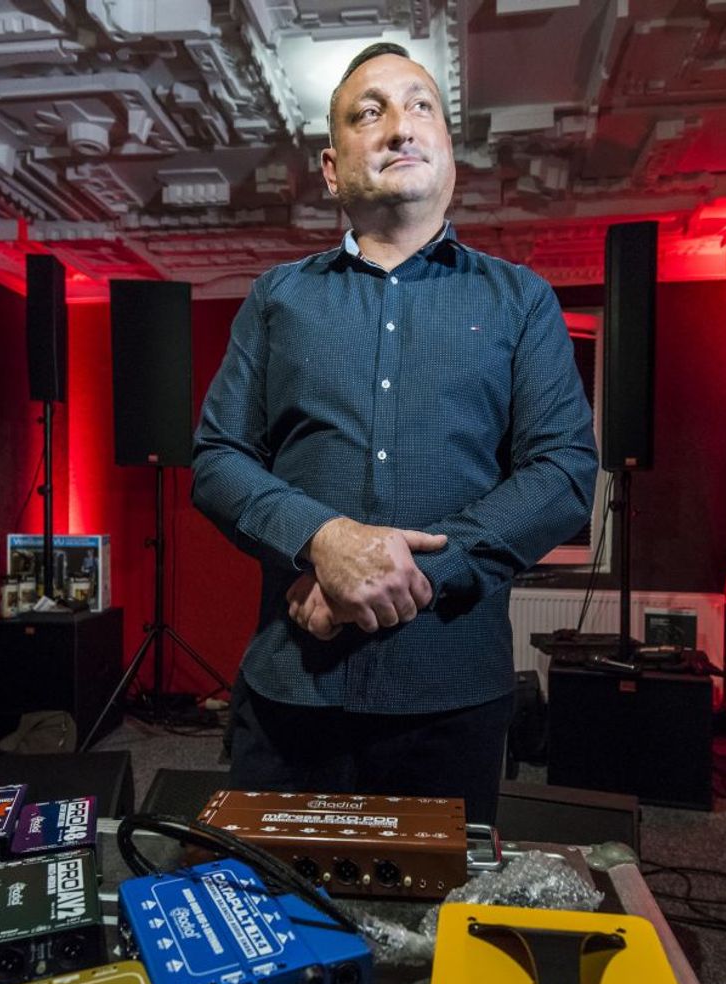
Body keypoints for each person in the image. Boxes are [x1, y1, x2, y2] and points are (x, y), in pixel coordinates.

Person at [191, 42, 597, 824]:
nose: (399, 127)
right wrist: (322, 541)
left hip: (450, 696)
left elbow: (563, 473)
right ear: (331, 167)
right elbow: (217, 459)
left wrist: (404, 574)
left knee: (436, 906)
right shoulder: (277, 298)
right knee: (272, 896)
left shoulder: (521, 300)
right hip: (291, 688)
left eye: (420, 107)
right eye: (368, 113)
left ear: (448, 151)